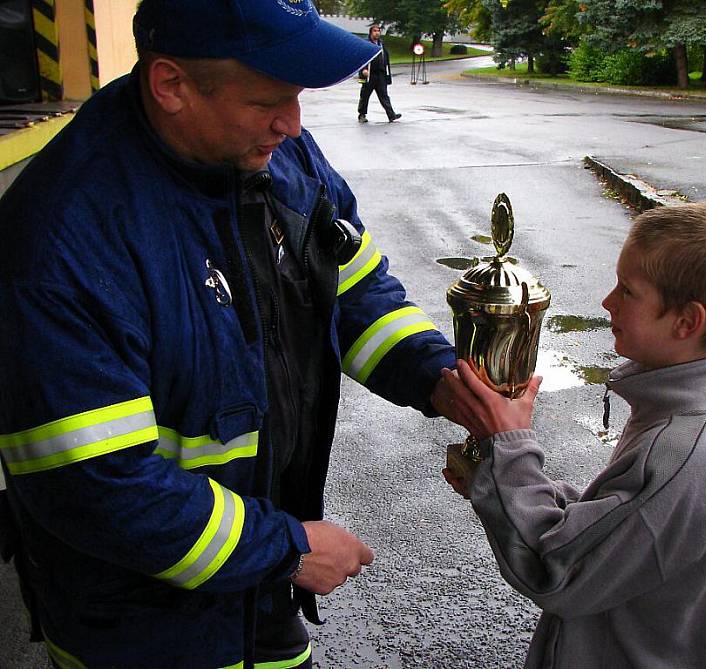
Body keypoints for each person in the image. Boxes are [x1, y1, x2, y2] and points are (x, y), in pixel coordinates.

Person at [0, 1, 460, 668]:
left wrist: (438, 377)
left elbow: (351, 282)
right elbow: (96, 485)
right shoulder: (62, 240)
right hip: (139, 626)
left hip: (259, 585)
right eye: (269, 99)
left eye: (298, 97)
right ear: (172, 85)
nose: (294, 123)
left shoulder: (277, 153)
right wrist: (289, 548)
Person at [441, 203, 706, 668]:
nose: (607, 302)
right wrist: (492, 478)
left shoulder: (678, 453)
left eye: (628, 291)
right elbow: (616, 523)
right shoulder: (683, 413)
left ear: (686, 322)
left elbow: (557, 570)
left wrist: (510, 449)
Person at [357, 24, 401, 123]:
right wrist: (363, 70)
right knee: (365, 95)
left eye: (378, 31)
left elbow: (385, 57)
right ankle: (362, 115)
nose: (377, 33)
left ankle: (391, 115)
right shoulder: (366, 44)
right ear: (371, 33)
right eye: (375, 31)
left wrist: (387, 74)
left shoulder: (381, 44)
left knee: (384, 95)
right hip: (369, 74)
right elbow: (361, 57)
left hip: (380, 74)